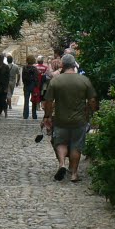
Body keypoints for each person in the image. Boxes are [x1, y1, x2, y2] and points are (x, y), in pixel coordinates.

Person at [42, 54, 97, 182]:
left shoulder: (55, 81)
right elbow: (92, 100)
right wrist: (91, 112)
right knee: (76, 146)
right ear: (74, 65)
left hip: (61, 119)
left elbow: (48, 102)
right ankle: (74, 174)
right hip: (79, 120)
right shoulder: (84, 80)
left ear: (62, 65)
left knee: (60, 143)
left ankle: (62, 164)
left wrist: (47, 116)